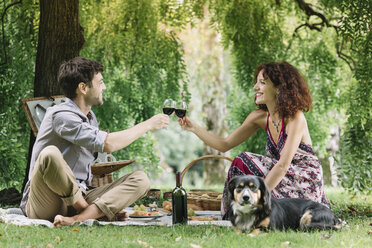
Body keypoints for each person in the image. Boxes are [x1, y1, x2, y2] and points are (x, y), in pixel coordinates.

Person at [20, 57, 169, 227]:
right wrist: (148, 124)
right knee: (49, 154)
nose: (104, 87)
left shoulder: (90, 118)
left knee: (141, 179)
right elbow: (109, 143)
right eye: (100, 82)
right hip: (46, 201)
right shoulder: (60, 115)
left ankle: (79, 218)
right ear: (83, 88)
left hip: (79, 194)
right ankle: (89, 212)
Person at [178, 61, 330, 217]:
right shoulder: (259, 117)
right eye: (256, 82)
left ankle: (255, 211)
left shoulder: (295, 118)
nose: (255, 87)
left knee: (245, 159)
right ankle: (233, 215)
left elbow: (283, 165)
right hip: (281, 178)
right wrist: (193, 127)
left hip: (304, 182)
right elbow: (224, 144)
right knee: (240, 163)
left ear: (279, 88)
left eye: (262, 83)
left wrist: (260, 198)